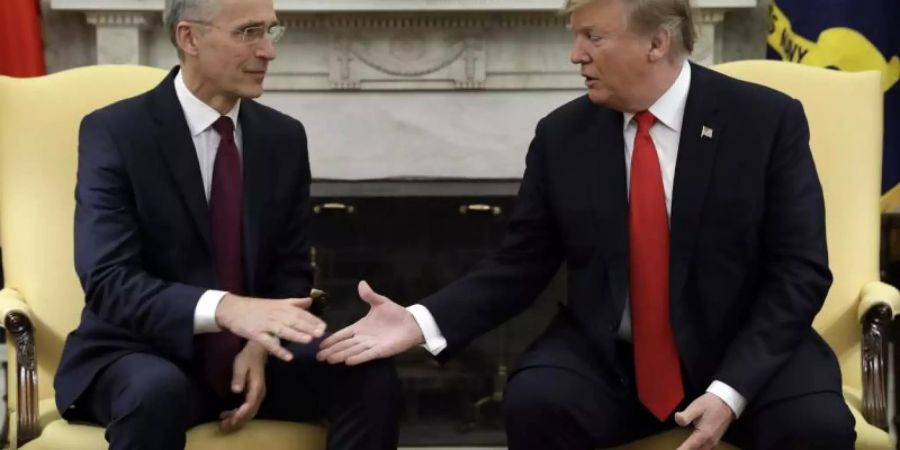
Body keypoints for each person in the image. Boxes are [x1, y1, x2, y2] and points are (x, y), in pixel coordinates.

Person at [317, 0, 856, 448]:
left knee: (816, 428)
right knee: (538, 404)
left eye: (593, 38)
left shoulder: (765, 121)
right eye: (576, 37)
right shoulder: (562, 136)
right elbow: (519, 266)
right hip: (613, 358)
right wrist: (421, 321)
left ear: (656, 43)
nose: (576, 56)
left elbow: (799, 272)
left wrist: (730, 391)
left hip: (747, 350)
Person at [54, 0, 400, 448]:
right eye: (248, 32)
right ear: (189, 37)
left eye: (270, 32)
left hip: (257, 353)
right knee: (153, 393)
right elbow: (108, 280)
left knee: (368, 371)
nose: (267, 52)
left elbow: (291, 270)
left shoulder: (284, 137)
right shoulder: (116, 132)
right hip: (140, 350)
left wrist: (261, 342)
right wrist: (228, 310)